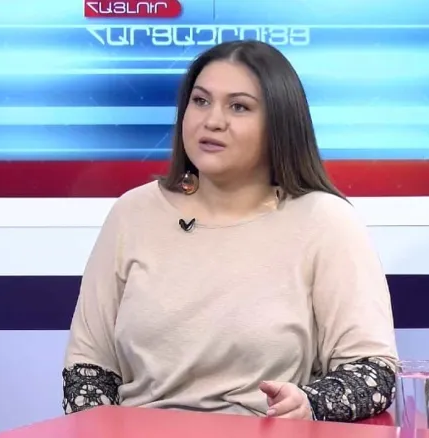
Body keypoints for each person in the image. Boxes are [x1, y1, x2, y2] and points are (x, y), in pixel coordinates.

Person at [62, 40, 398, 422]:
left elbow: (374, 371)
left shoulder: (325, 221)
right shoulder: (132, 213)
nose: (212, 121)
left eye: (239, 107)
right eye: (201, 101)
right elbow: (87, 369)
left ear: (279, 124)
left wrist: (309, 404)